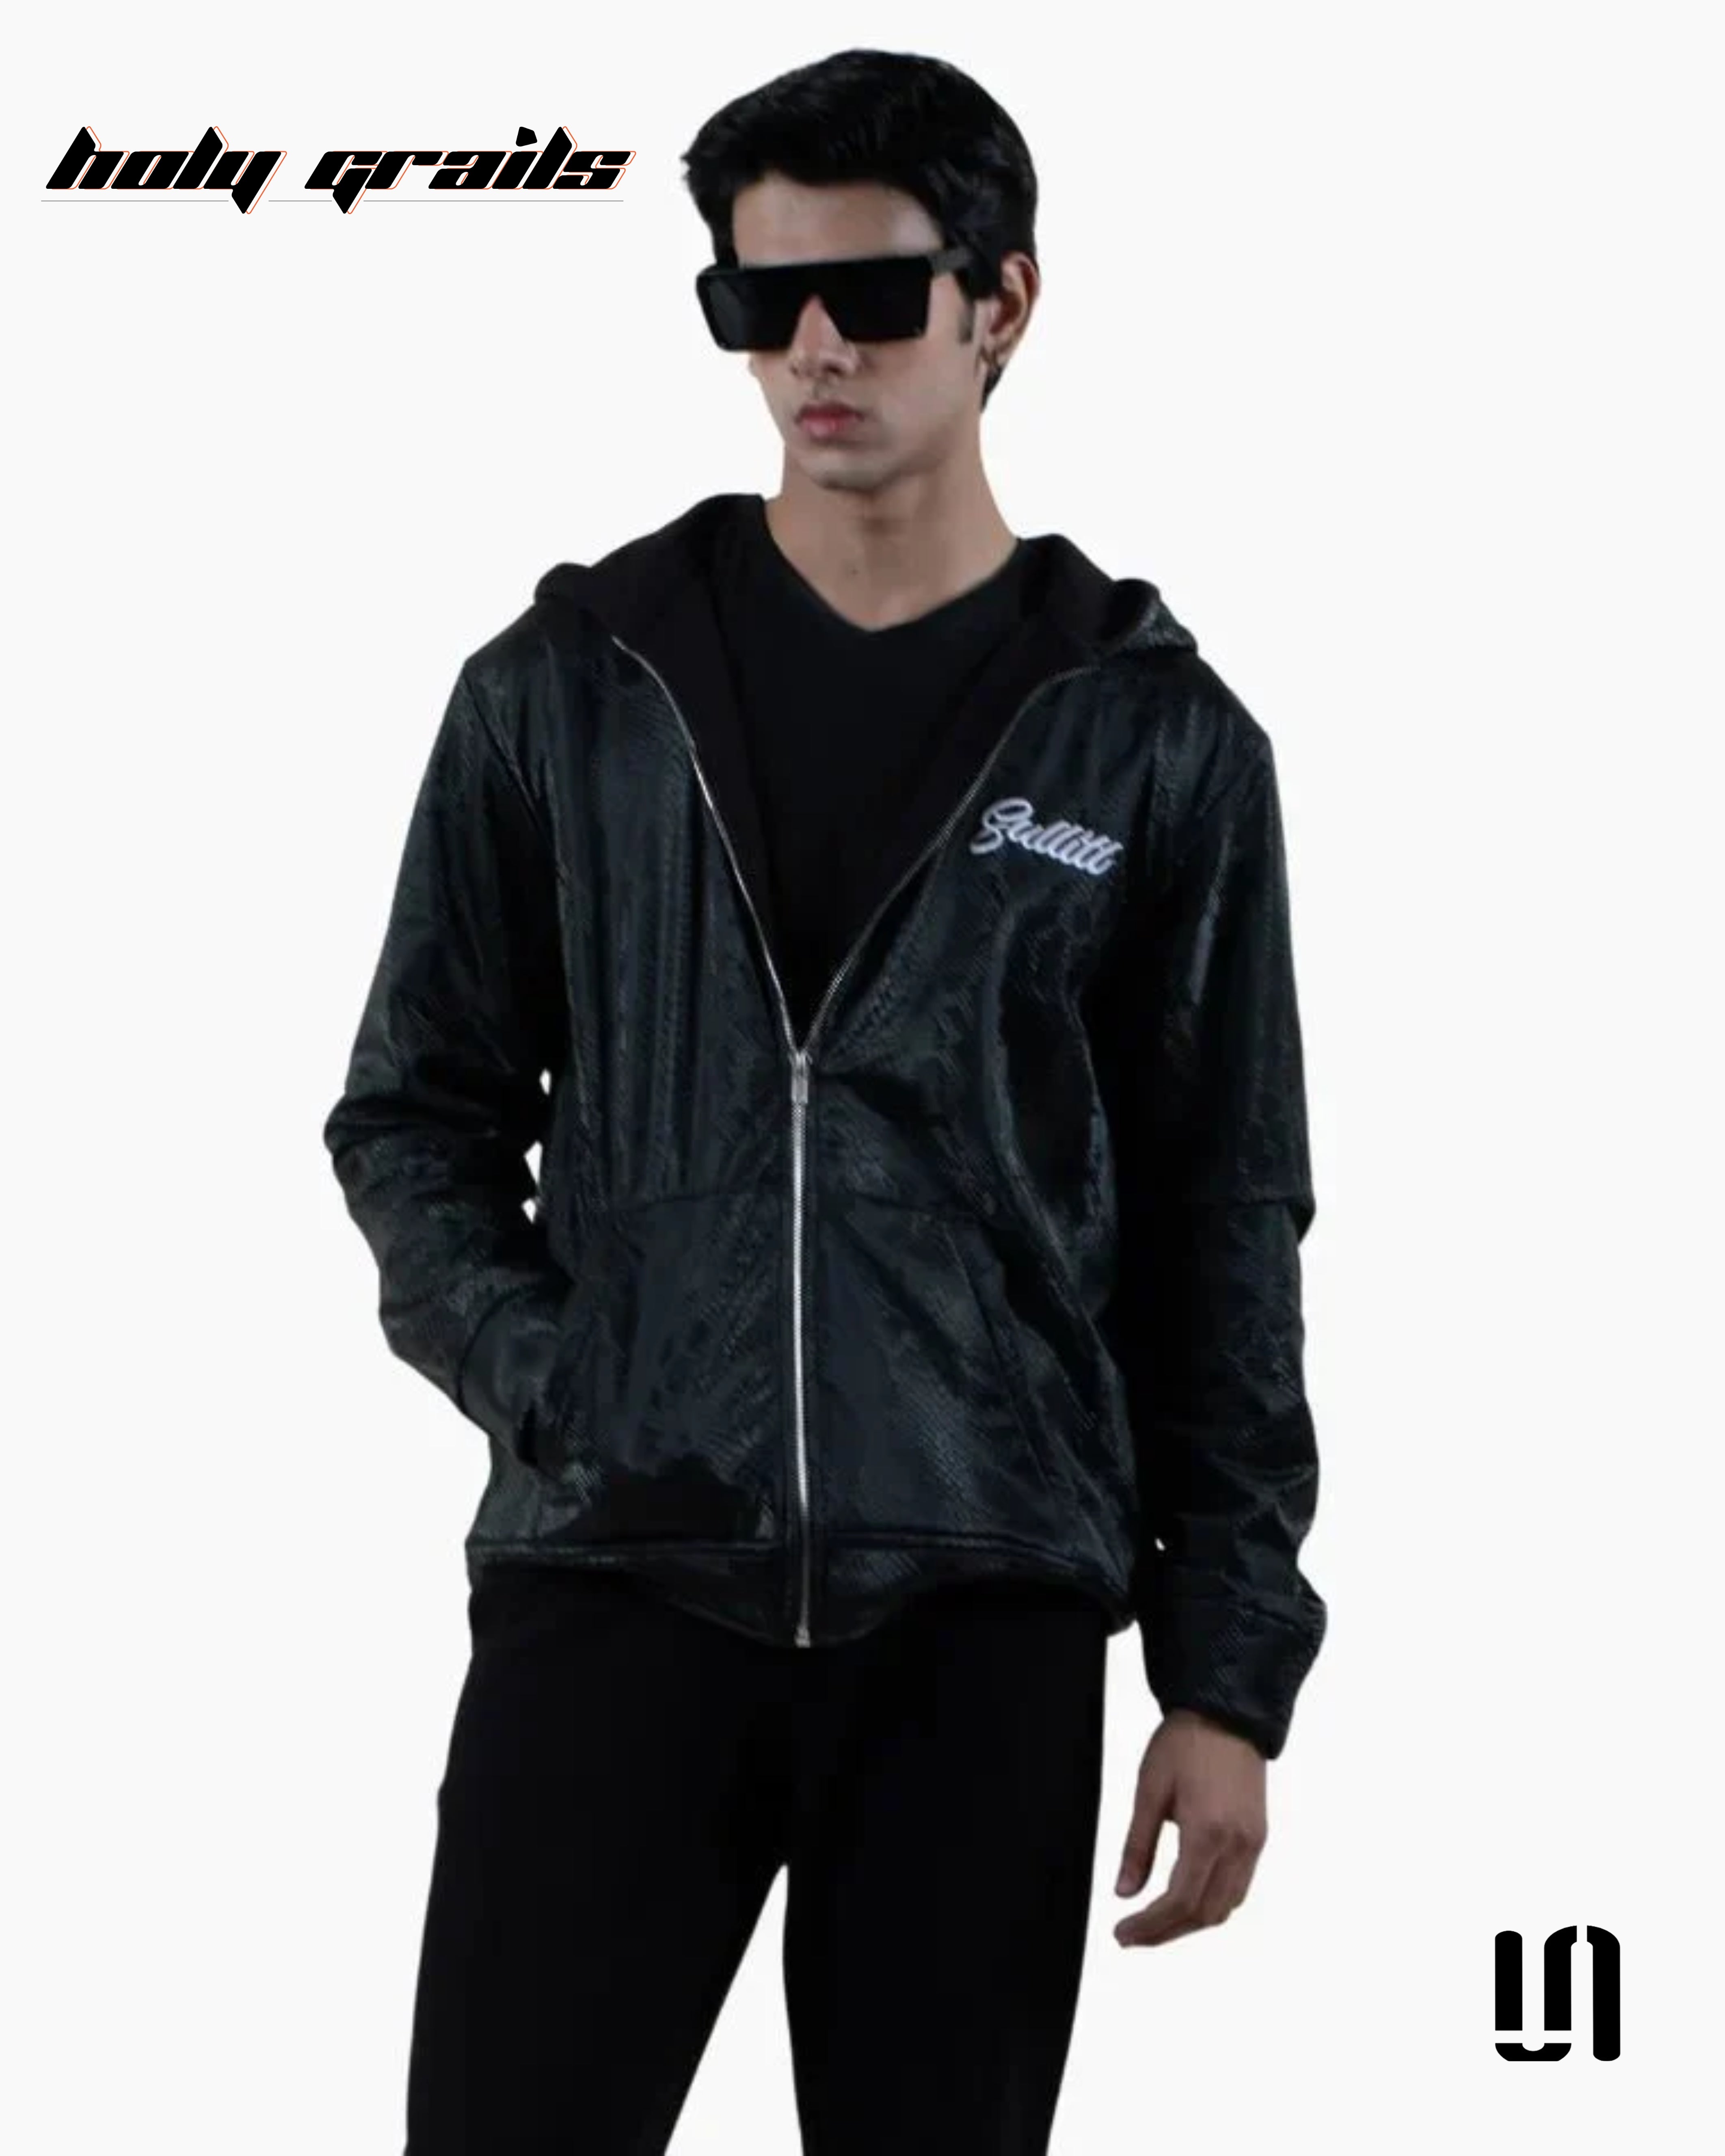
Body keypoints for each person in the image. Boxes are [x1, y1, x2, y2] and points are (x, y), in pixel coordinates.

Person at [322, 45, 1327, 2156]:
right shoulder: (567, 693)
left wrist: (1224, 1673)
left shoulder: (1152, 744)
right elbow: (413, 1111)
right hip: (616, 1577)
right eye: (754, 302)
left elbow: (1223, 1222)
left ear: (1001, 299)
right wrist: (559, 1374)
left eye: (868, 295)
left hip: (983, 1606)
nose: (810, 352)